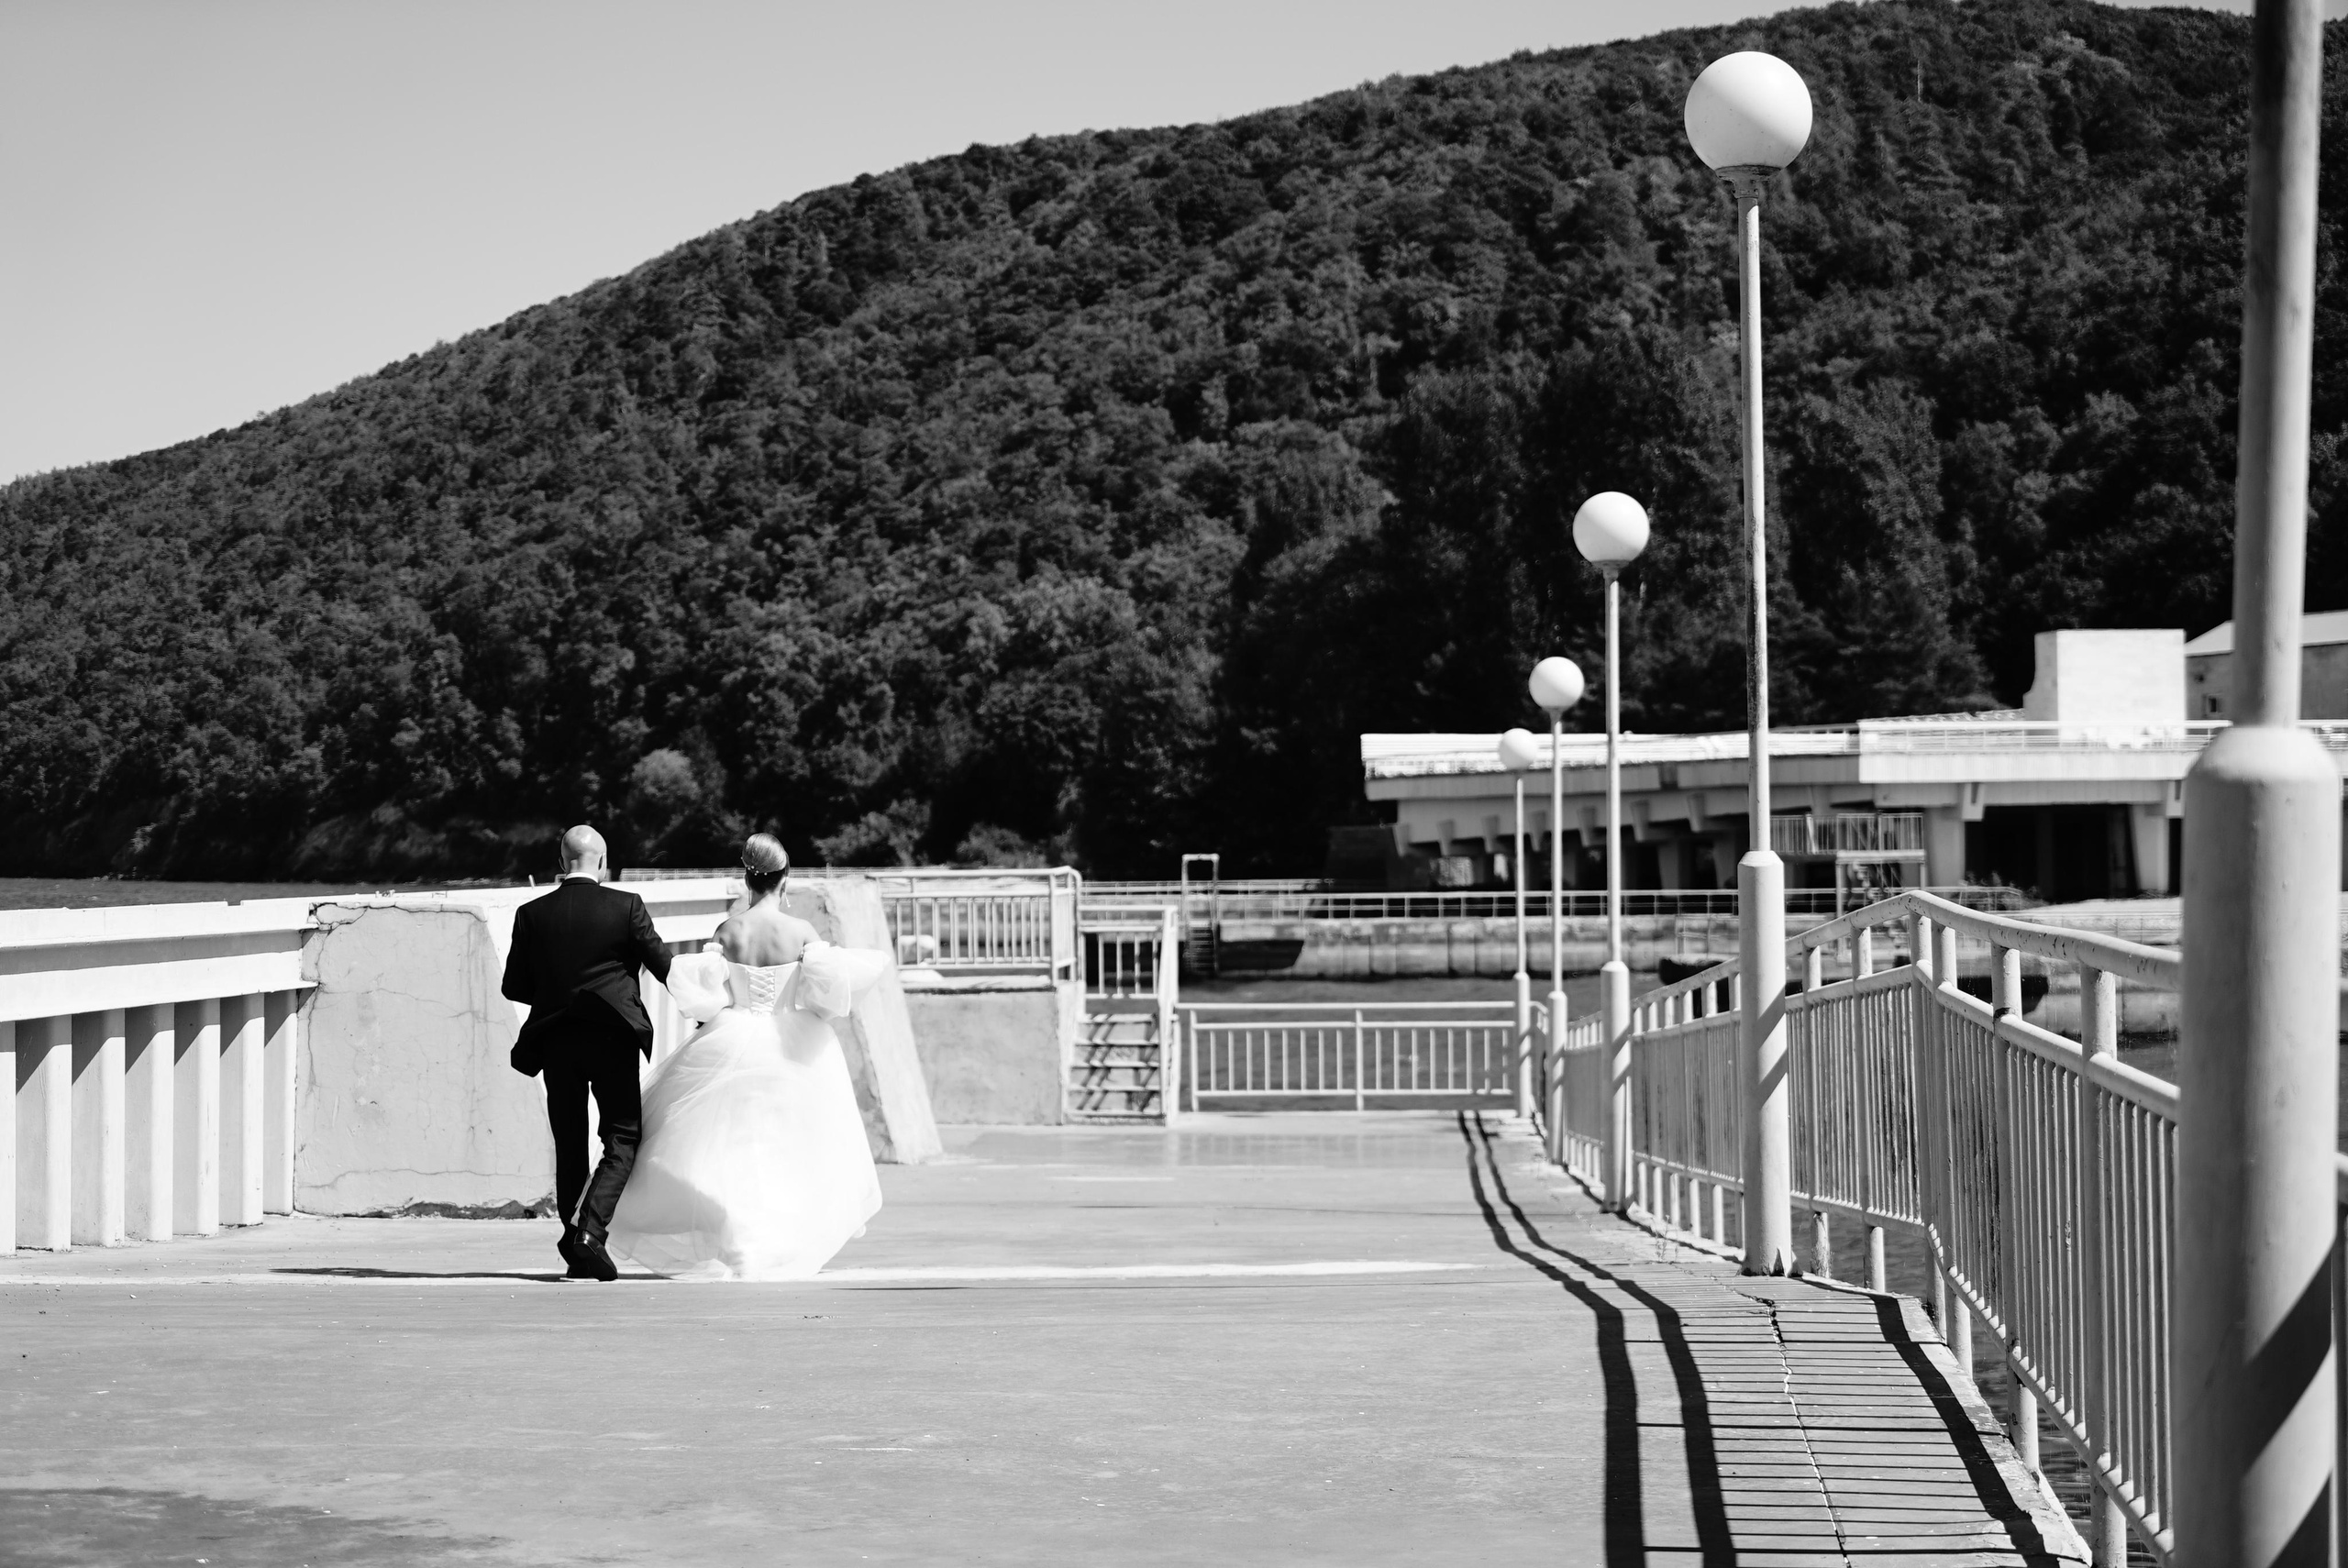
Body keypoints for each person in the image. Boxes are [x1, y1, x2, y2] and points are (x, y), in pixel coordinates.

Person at [606, 833, 888, 1279]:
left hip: (731, 1035)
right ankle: (770, 1243)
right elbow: (825, 1000)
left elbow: (706, 1000)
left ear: (747, 878)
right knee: (785, 1147)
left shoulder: (727, 930)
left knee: (734, 1147)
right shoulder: (802, 933)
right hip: (791, 1041)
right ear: (785, 879)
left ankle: (740, 1239)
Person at [499, 824, 673, 1282]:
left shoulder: (531, 913)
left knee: (570, 1142)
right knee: (622, 1137)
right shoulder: (626, 907)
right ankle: (589, 1233)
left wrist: (557, 987)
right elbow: (665, 967)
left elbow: (513, 986)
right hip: (613, 1037)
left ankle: (576, 1245)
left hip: (556, 1040)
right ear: (603, 860)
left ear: (561, 862)